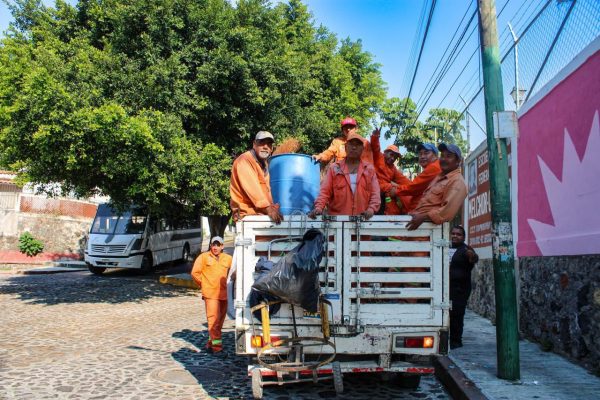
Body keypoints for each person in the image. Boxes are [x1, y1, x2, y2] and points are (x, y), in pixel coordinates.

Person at [308, 132, 380, 219]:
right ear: (345, 147)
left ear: (362, 149)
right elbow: (324, 192)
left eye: (357, 145)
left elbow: (375, 194)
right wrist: (319, 207)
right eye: (351, 144)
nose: (354, 147)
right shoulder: (334, 168)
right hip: (337, 222)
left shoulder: (369, 169)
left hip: (362, 220)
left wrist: (371, 209)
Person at [406, 143, 468, 231]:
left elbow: (447, 212)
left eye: (448, 156)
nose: (444, 159)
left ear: (458, 161)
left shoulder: (457, 181)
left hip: (430, 231)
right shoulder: (439, 177)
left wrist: (423, 217)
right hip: (419, 228)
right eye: (442, 156)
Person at [230, 131, 283, 224]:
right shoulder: (244, 160)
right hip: (246, 216)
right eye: (261, 142)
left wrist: (272, 206)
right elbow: (252, 189)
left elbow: (266, 191)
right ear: (254, 144)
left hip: (259, 215)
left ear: (271, 149)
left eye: (269, 144)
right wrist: (269, 209)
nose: (265, 146)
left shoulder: (264, 164)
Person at [191, 236, 233, 353]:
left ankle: (210, 344)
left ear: (222, 246)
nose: (215, 247)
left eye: (218, 245)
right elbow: (195, 273)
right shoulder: (203, 257)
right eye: (213, 245)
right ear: (210, 246)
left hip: (224, 294)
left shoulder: (228, 258)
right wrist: (204, 284)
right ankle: (217, 348)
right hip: (210, 294)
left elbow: (235, 270)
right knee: (213, 321)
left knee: (219, 322)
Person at [449, 225, 479, 349]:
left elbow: (474, 258)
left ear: (463, 237)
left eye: (458, 234)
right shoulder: (445, 247)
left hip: (460, 289)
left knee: (457, 314)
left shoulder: (466, 249)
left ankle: (456, 341)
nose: (455, 236)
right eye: (453, 233)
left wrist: (472, 256)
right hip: (446, 288)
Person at [370, 127, 411, 215]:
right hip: (374, 185)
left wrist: (416, 187)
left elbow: (404, 180)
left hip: (385, 190)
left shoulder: (393, 168)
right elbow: (375, 147)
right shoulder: (379, 157)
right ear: (385, 152)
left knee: (400, 190)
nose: (393, 158)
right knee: (392, 188)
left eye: (395, 157)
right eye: (391, 154)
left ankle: (400, 214)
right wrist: (375, 136)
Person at [395, 143, 442, 213]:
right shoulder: (435, 166)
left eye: (426, 153)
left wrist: (396, 191)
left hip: (420, 212)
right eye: (420, 154)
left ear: (435, 156)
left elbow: (413, 187)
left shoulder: (434, 167)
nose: (422, 156)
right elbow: (413, 185)